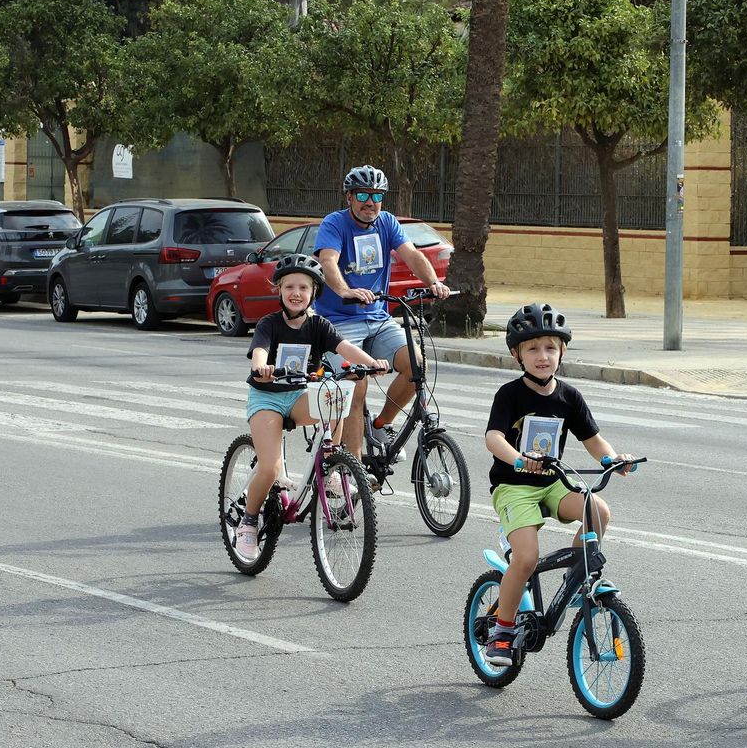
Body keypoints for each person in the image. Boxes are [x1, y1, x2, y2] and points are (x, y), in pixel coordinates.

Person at [481, 304, 632, 667]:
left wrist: (612, 459)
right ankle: (501, 631)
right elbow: (493, 438)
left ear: (562, 352)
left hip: (553, 483)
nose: (542, 356)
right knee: (527, 558)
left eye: (551, 347)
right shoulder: (509, 395)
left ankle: (575, 579)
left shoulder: (569, 397)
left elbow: (593, 440)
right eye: (532, 348)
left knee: (598, 511)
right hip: (514, 486)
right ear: (516, 355)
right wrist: (518, 458)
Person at [234, 254, 389, 559]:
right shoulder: (269, 324)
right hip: (267, 397)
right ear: (279, 290)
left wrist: (373, 364)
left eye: (303, 287)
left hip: (299, 396)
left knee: (334, 397)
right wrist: (261, 367)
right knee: (269, 467)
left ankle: (330, 465)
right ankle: (248, 521)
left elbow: (345, 347)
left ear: (314, 292)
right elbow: (260, 352)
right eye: (289, 286)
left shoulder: (319, 325)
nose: (296, 293)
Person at [314, 165, 451, 459]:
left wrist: (433, 283)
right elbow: (328, 261)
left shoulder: (387, 222)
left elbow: (412, 254)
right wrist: (345, 291)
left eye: (377, 196)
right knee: (356, 383)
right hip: (339, 323)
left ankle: (379, 424)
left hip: (378, 318)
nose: (370, 202)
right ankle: (355, 466)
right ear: (349, 197)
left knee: (417, 365)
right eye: (363, 195)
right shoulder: (334, 223)